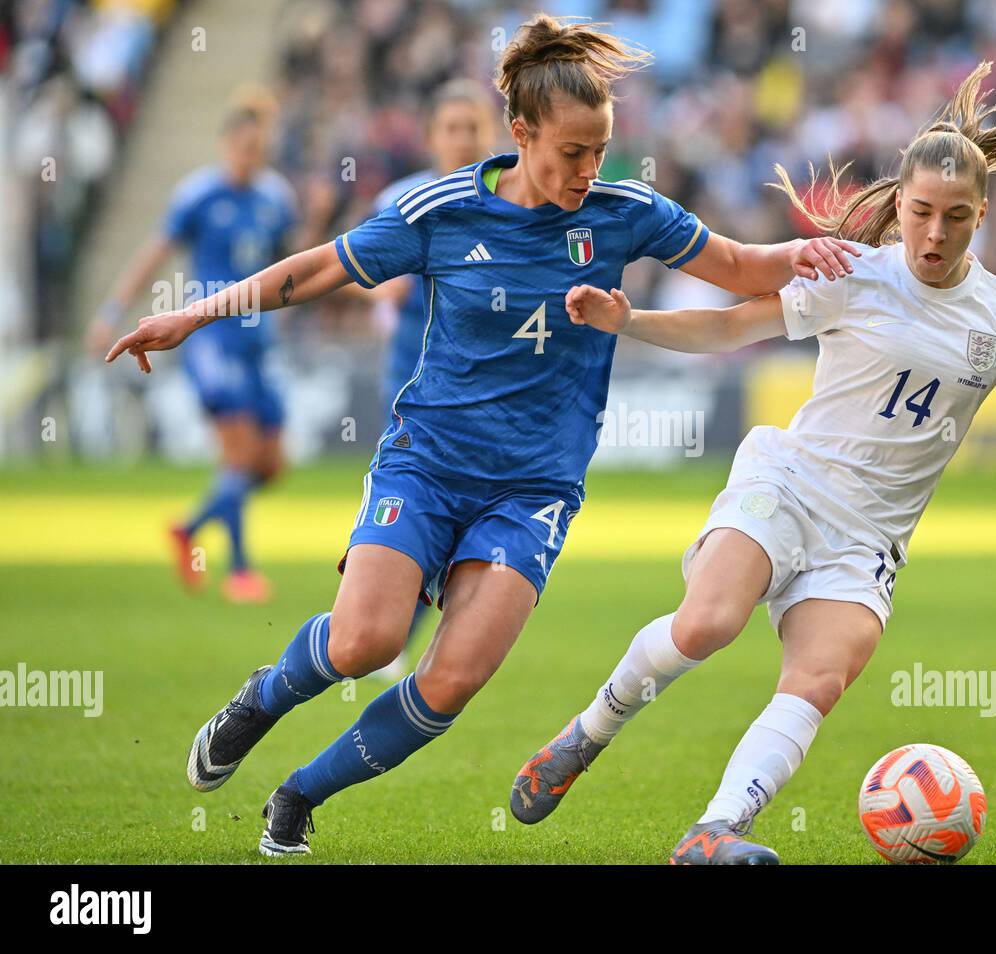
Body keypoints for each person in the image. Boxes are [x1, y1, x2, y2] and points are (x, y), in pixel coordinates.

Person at [104, 14, 861, 857]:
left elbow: (736, 265)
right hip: (427, 463)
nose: (587, 170)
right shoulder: (442, 210)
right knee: (365, 642)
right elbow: (317, 268)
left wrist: (805, 251)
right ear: (521, 133)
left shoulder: (623, 212)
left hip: (534, 490)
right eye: (571, 152)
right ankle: (264, 696)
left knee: (450, 682)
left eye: (599, 150)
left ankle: (298, 795)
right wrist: (194, 314)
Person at [509, 61, 996, 865]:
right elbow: (728, 331)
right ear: (899, 204)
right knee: (706, 624)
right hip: (787, 484)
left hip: (869, 539)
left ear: (982, 215)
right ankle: (586, 736)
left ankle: (714, 833)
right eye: (922, 212)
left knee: (818, 683)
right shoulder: (853, 275)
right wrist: (627, 320)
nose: (934, 235)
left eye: (956, 218)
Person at [88, 93, 298, 603]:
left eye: (259, 147)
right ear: (228, 143)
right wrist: (114, 310)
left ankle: (189, 529)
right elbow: (154, 253)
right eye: (244, 145)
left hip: (258, 341)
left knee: (272, 464)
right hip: (211, 341)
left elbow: (290, 263)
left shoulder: (275, 198)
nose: (251, 155)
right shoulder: (199, 196)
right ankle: (241, 570)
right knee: (241, 453)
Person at [354, 79, 499, 680]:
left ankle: (404, 633)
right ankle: (386, 632)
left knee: (476, 513)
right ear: (432, 135)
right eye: (453, 128)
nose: (464, 139)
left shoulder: (509, 199)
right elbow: (376, 282)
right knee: (422, 506)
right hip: (419, 384)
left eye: (473, 127)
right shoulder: (405, 200)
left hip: (490, 389)